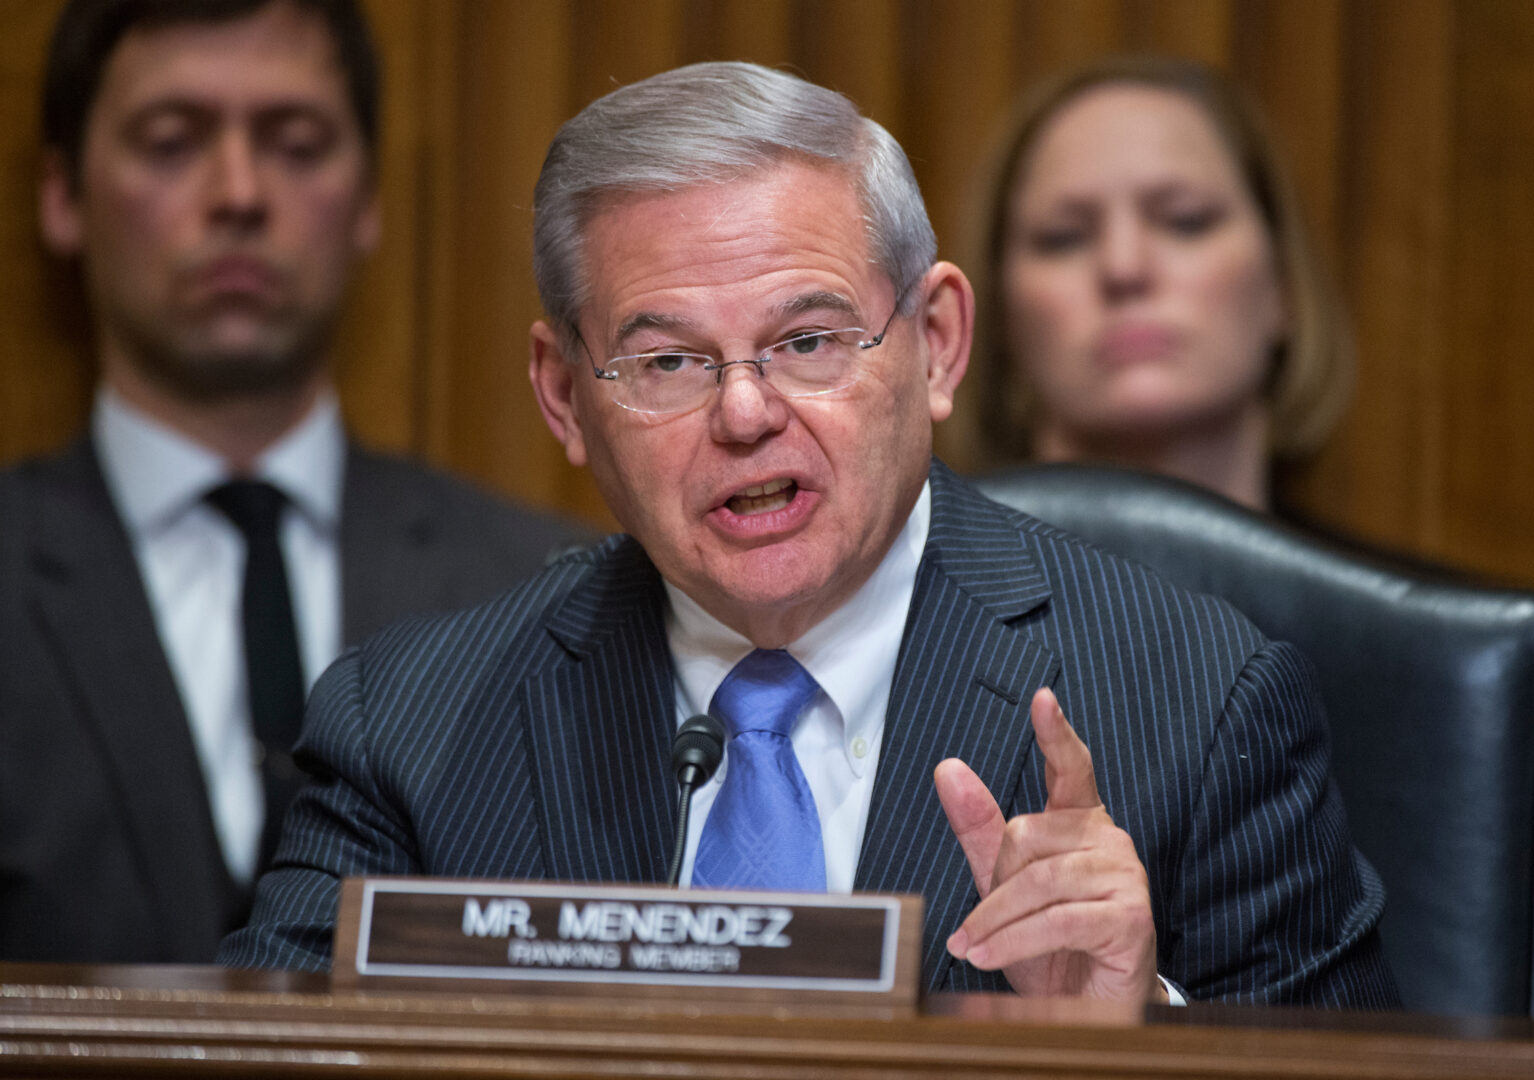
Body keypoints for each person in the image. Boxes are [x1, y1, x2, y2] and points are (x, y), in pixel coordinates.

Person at [220, 61, 1398, 1008]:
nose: (744, 414)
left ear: (934, 343)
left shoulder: (1198, 702)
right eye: (666, 361)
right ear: (563, 395)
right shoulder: (410, 727)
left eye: (809, 341)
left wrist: (1136, 1035)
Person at [0, 0, 589, 964]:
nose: (238, 192)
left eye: (297, 142)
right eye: (171, 141)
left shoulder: (548, 591)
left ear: (368, 201)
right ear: (62, 194)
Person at [963, 55, 1354, 513]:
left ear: (1283, 286)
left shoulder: (1402, 590)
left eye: (1185, 222)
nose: (1124, 268)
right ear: (1000, 314)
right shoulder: (896, 585)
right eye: (1063, 238)